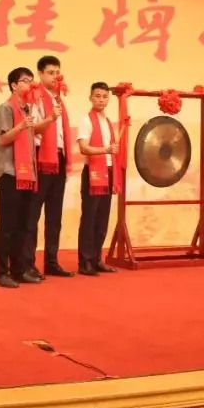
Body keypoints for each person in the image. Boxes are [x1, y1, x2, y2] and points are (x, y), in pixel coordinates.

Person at [0, 67, 42, 288]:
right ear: (13, 85)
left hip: (25, 174)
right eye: (25, 81)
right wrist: (21, 126)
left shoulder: (27, 109)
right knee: (7, 225)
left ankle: (19, 270)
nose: (30, 85)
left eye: (31, 80)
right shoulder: (5, 109)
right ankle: (1, 273)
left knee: (22, 224)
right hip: (9, 173)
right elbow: (3, 140)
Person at [24, 56, 75, 278]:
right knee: (32, 214)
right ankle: (27, 264)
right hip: (41, 158)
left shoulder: (59, 100)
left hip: (59, 159)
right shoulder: (35, 96)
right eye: (50, 72)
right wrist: (50, 118)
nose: (55, 76)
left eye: (57, 72)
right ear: (40, 74)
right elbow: (31, 129)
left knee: (55, 215)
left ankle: (52, 262)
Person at [76, 82, 119, 276]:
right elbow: (84, 148)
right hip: (93, 173)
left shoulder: (107, 122)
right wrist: (106, 150)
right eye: (97, 96)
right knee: (90, 218)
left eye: (104, 96)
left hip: (107, 172)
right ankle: (85, 262)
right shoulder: (86, 120)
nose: (101, 100)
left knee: (102, 219)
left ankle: (96, 259)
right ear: (90, 98)